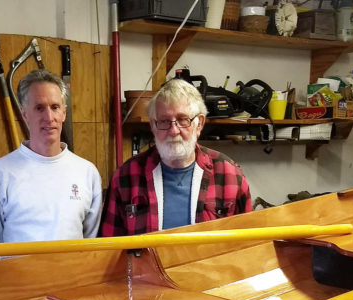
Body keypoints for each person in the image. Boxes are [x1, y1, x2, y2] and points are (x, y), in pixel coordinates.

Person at [100, 78, 251, 237]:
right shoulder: (125, 177)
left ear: (199, 124)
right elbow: (109, 250)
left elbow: (250, 247)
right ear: (153, 125)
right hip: (145, 263)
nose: (173, 131)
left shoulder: (230, 175)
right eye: (164, 121)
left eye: (182, 120)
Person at [0, 69, 102, 243]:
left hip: (72, 270)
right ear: (24, 114)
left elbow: (89, 239)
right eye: (39, 108)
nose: (49, 117)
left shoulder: (87, 173)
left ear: (64, 113)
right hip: (14, 271)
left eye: (55, 107)